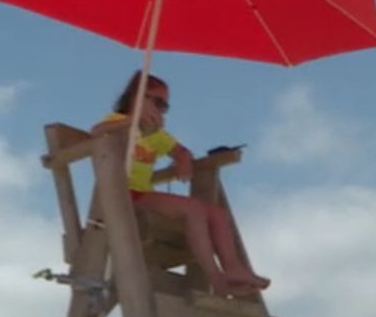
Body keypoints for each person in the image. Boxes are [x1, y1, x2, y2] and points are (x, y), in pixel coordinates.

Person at [91, 72, 270, 297]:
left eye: (165, 106)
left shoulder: (156, 135)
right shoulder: (118, 122)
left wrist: (183, 159)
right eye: (158, 102)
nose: (162, 110)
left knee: (217, 214)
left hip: (143, 195)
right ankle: (216, 278)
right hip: (121, 196)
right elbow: (96, 132)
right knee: (193, 208)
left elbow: (180, 150)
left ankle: (233, 268)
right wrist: (132, 121)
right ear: (136, 97)